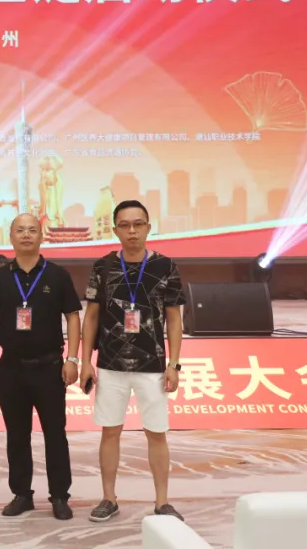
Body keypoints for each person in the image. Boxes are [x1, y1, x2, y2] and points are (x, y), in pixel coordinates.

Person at [79, 199, 185, 522]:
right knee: (110, 432)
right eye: (124, 225)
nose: (132, 231)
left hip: (153, 366)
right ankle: (108, 498)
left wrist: (174, 364)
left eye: (138, 224)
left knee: (156, 433)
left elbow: (174, 318)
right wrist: (85, 361)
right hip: (110, 364)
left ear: (148, 228)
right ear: (115, 230)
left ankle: (162, 502)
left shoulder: (165, 266)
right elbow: (91, 316)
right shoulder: (103, 266)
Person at [0, 213, 82, 520]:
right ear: (11, 236)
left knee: (55, 434)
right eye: (20, 230)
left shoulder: (58, 275)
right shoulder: (0, 277)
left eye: (32, 230)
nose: (26, 235)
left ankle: (60, 496)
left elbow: (73, 317)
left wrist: (73, 359)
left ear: (41, 236)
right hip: (11, 368)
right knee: (17, 435)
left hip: (50, 367)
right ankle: (22, 495)